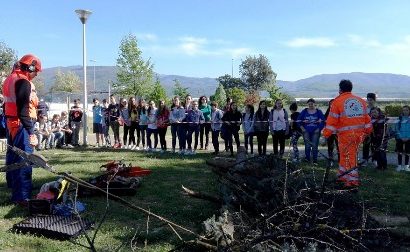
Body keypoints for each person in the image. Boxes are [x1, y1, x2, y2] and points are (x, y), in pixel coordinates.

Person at [3, 54, 41, 205]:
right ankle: (22, 196)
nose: (36, 74)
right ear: (30, 67)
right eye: (36, 71)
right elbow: (23, 110)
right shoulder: (23, 82)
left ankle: (14, 187)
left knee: (13, 157)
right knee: (25, 159)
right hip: (21, 124)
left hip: (11, 122)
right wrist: (31, 132)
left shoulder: (10, 79)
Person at [323, 80, 372, 188]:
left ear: (340, 89)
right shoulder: (360, 101)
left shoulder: (337, 101)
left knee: (349, 157)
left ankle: (352, 182)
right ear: (351, 88)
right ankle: (343, 177)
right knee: (346, 156)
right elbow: (367, 118)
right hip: (358, 135)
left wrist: (326, 134)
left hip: (345, 135)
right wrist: (368, 131)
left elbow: (332, 121)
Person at [297, 98, 325, 165]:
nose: (310, 105)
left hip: (316, 131)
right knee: (307, 145)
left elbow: (323, 121)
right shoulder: (304, 111)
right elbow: (298, 120)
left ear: (314, 104)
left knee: (315, 145)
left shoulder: (319, 112)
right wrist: (302, 127)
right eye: (309, 104)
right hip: (306, 131)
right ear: (307, 104)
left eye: (312, 104)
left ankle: (315, 160)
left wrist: (319, 129)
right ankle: (307, 158)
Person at [362, 93, 377, 165]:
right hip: (366, 131)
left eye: (371, 100)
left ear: (374, 100)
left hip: (374, 131)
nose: (369, 101)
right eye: (368, 100)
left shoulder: (377, 109)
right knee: (365, 145)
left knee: (374, 146)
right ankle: (365, 160)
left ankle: (374, 160)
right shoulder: (364, 109)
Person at [324, 99, 339, 167]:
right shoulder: (327, 113)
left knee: (339, 146)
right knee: (330, 146)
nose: (332, 105)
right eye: (331, 104)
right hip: (330, 132)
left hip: (338, 132)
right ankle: (331, 159)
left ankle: (340, 160)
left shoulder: (339, 112)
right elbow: (324, 122)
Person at [395, 105, 410, 172]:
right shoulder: (400, 118)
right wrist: (401, 137)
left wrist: (408, 137)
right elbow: (397, 128)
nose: (405, 111)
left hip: (408, 138)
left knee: (408, 152)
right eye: (404, 110)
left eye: (407, 110)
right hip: (400, 138)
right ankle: (399, 166)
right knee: (400, 152)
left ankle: (406, 166)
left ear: (409, 111)